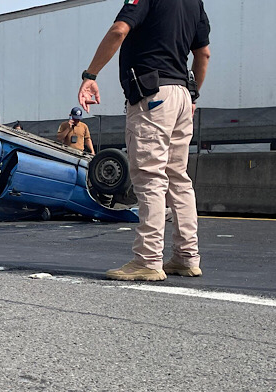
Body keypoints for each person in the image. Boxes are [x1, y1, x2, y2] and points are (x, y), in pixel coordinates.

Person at [78, 0, 210, 281]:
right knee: (178, 177)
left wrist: (90, 75)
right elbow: (204, 54)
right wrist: (193, 95)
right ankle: (187, 257)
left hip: (153, 95)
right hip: (183, 94)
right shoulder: (194, 3)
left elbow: (118, 30)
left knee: (150, 176)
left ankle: (148, 260)